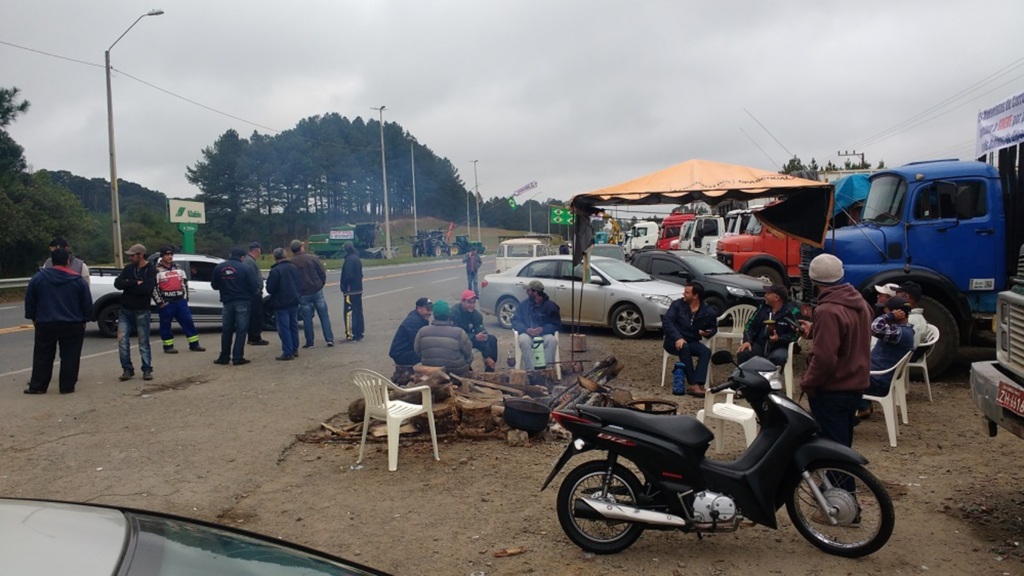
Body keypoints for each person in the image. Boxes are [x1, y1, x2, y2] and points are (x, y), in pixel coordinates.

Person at [798, 253, 873, 448]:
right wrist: (816, 331)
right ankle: (845, 478)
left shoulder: (826, 311)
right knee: (843, 446)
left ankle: (839, 480)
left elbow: (825, 359)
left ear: (813, 279)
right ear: (840, 275)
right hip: (856, 385)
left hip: (833, 389)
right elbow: (854, 335)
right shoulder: (861, 303)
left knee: (831, 452)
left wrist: (808, 382)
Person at [23, 248, 93, 394]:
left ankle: (38, 386)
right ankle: (67, 387)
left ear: (51, 261)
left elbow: (30, 300)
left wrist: (33, 317)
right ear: (68, 261)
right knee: (70, 356)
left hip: (46, 323)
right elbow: (86, 302)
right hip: (73, 323)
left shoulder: (38, 278)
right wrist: (85, 318)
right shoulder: (78, 281)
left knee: (43, 355)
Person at [857, 296, 916, 419]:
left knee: (838, 375)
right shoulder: (903, 331)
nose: (884, 313)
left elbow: (874, 328)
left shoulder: (900, 334)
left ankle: (855, 410)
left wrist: (889, 317)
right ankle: (863, 405)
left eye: (887, 311)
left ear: (898, 313)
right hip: (877, 377)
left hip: (878, 382)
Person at [662, 281, 718, 396]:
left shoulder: (706, 311)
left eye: (687, 292)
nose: (683, 294)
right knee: (684, 347)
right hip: (673, 341)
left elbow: (713, 327)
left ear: (695, 296)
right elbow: (667, 322)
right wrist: (677, 337)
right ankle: (693, 384)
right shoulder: (677, 305)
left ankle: (698, 382)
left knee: (705, 351)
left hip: (692, 340)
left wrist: (708, 333)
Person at [114, 243, 160, 381]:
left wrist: (129, 284)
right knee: (122, 341)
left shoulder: (151, 270)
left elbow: (146, 289)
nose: (130, 257)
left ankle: (147, 369)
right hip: (125, 310)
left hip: (142, 310)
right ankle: (127, 369)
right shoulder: (129, 268)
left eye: (132, 255)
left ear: (140, 255)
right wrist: (134, 282)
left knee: (143, 341)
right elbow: (118, 283)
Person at [211, 247, 259, 366]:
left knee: (227, 330)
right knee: (241, 330)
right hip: (243, 302)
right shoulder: (245, 268)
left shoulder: (219, 267)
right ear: (242, 257)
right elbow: (254, 287)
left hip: (227, 302)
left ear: (230, 254)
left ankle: (224, 357)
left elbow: (214, 285)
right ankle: (237, 358)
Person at [155, 246, 205, 354]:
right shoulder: (156, 270)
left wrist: (185, 298)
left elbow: (184, 284)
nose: (170, 256)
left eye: (171, 254)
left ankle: (194, 345)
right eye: (167, 254)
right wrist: (160, 302)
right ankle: (168, 346)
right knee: (165, 324)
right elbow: (154, 288)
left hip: (180, 301)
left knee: (188, 322)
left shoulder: (178, 268)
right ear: (162, 256)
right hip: (166, 302)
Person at [736, 284, 800, 366]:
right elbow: (750, 325)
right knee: (744, 353)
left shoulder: (792, 311)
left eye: (768, 293)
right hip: (760, 344)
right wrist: (747, 341)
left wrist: (779, 338)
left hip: (780, 346)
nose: (765, 295)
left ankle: (771, 378)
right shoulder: (763, 307)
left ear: (776, 298)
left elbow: (796, 334)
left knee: (778, 358)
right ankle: (744, 377)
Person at [290, 239, 335, 348]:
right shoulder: (312, 258)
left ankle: (310, 342)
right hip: (316, 290)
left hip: (303, 293)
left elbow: (291, 279)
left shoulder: (291, 263)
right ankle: (329, 339)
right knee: (324, 315)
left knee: (307, 319)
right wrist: (320, 284)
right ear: (300, 248)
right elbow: (321, 272)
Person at [510, 280, 561, 370]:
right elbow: (515, 321)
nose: (526, 292)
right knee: (523, 340)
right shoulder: (523, 305)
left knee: (552, 340)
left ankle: (548, 371)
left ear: (535, 292)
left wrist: (543, 329)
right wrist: (526, 330)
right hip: (528, 334)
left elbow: (556, 324)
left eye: (528, 290)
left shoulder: (551, 306)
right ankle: (531, 372)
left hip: (544, 335)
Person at [414, 300, 473, 375]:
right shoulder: (459, 332)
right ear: (449, 315)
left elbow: (417, 351)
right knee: (471, 356)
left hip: (430, 371)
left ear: (434, 315)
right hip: (456, 372)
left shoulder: (422, 331)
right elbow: (468, 352)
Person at [266, 247, 302, 361]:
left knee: (284, 328)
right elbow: (299, 283)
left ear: (275, 257)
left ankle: (287, 352)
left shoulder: (275, 271)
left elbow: (270, 288)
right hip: (294, 300)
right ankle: (295, 348)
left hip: (281, 302)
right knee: (293, 326)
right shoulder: (293, 268)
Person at [451, 289, 498, 372]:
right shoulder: (455, 312)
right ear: (462, 301)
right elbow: (456, 334)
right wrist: (474, 337)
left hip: (472, 339)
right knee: (463, 346)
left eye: (474, 302)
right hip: (459, 340)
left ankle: (490, 369)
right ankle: (466, 369)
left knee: (491, 339)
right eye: (469, 302)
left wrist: (487, 356)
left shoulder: (476, 315)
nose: (472, 305)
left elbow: (481, 332)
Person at [389, 297, 433, 368]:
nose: (430, 313)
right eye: (427, 310)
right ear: (419, 308)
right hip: (401, 354)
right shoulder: (414, 321)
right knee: (430, 355)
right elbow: (418, 342)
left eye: (431, 310)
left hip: (406, 350)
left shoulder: (419, 318)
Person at [243, 241, 269, 346]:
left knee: (256, 315)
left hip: (254, 292)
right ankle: (254, 338)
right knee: (255, 316)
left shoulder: (250, 260)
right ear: (257, 250)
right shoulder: (249, 261)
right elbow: (251, 278)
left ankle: (255, 337)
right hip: (253, 293)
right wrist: (256, 289)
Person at [340, 241, 364, 341]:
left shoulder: (348, 260)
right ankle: (359, 332)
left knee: (349, 312)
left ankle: (351, 334)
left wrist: (344, 285)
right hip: (358, 289)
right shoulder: (357, 258)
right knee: (358, 312)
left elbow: (348, 276)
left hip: (350, 290)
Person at [897, 281, 929, 348]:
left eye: (897, 296)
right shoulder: (909, 317)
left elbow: (908, 349)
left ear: (906, 297)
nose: (894, 299)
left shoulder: (913, 321)